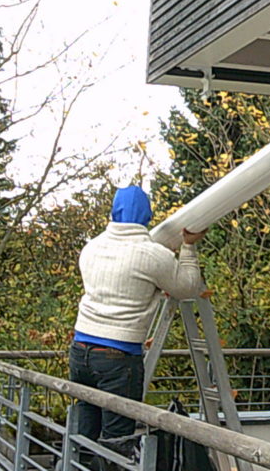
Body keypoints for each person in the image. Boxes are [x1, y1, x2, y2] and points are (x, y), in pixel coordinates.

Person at [69, 186, 206, 453]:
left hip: (80, 350)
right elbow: (188, 286)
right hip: (118, 357)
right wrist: (188, 247)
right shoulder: (152, 255)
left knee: (85, 431)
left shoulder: (91, 247)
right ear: (147, 215)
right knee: (116, 440)